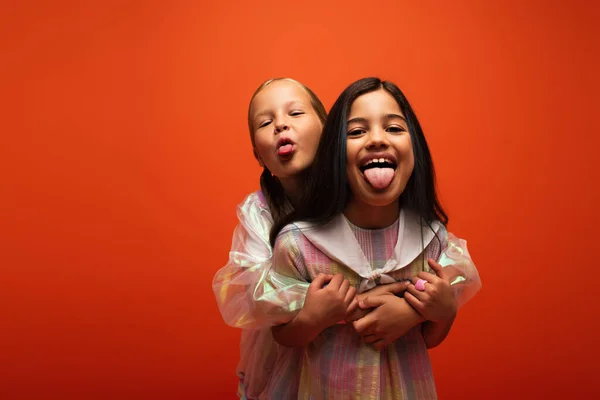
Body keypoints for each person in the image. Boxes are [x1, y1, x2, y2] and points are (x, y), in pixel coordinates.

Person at [262, 77, 482, 398]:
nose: (377, 140)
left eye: (393, 128)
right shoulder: (297, 243)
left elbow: (430, 338)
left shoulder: (431, 239)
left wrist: (440, 312)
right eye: (356, 132)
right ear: (334, 154)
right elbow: (282, 334)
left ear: (415, 150)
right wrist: (312, 318)